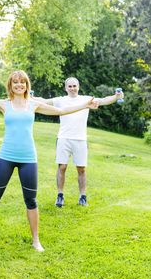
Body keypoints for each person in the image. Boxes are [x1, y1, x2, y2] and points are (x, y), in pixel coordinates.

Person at [0, 70, 97, 252]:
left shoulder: (34, 105)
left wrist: (85, 105)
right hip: (5, 156)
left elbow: (61, 110)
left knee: (31, 200)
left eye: (22, 82)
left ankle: (36, 240)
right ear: (11, 85)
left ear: (26, 85)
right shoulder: (3, 104)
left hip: (28, 158)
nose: (19, 85)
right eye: (15, 82)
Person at [34, 77, 124, 208]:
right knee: (62, 167)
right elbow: (43, 101)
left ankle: (82, 196)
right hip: (64, 138)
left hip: (80, 139)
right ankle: (60, 195)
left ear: (78, 86)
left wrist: (116, 96)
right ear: (66, 88)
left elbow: (104, 100)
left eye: (74, 86)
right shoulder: (60, 100)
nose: (72, 88)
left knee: (81, 169)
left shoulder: (86, 99)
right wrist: (28, 96)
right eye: (69, 86)